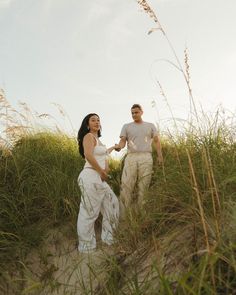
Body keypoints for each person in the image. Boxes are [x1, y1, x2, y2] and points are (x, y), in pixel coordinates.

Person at [77, 113, 119, 253]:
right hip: (90, 175)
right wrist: (101, 171)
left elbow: (104, 154)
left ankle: (108, 238)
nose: (96, 122)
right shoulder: (88, 136)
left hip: (99, 177)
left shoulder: (100, 141)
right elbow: (88, 155)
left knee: (112, 203)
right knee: (89, 211)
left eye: (98, 120)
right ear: (87, 125)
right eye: (93, 120)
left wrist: (113, 149)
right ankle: (86, 246)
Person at [116, 104, 163, 208]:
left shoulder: (150, 125)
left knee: (144, 185)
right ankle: (123, 215)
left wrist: (160, 156)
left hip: (146, 156)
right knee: (126, 184)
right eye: (132, 113)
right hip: (131, 157)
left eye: (136, 112)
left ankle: (142, 213)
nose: (134, 115)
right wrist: (119, 146)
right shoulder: (126, 126)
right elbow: (123, 141)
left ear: (142, 112)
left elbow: (156, 140)